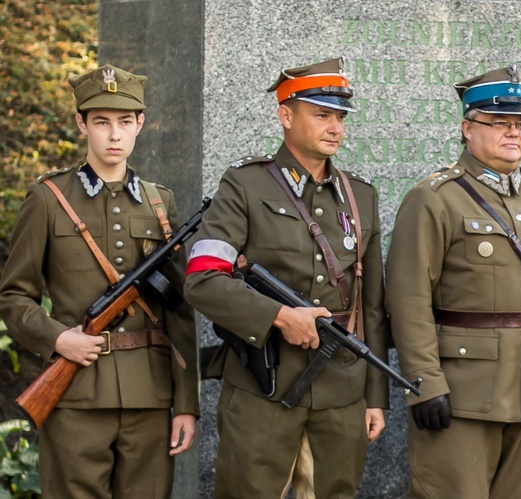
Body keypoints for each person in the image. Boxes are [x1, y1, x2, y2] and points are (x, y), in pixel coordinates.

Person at [183, 57, 389, 499]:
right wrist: (278, 315)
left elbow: (370, 306)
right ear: (286, 115)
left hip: (341, 390)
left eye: (340, 117)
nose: (335, 127)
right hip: (263, 387)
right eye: (322, 115)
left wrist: (376, 395)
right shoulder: (244, 186)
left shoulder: (362, 196)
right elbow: (202, 279)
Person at [384, 65, 521, 498]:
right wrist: (424, 381)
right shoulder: (435, 198)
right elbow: (408, 298)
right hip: (462, 395)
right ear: (466, 128)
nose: (513, 133)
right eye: (499, 123)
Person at [0, 64, 199, 497]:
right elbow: (14, 297)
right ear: (81, 124)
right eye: (101, 122)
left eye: (125, 122)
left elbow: (179, 311)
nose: (114, 135)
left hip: (149, 395)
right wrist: (57, 339)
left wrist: (186, 404)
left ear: (140, 125)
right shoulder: (49, 200)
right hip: (75, 396)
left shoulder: (162, 204)